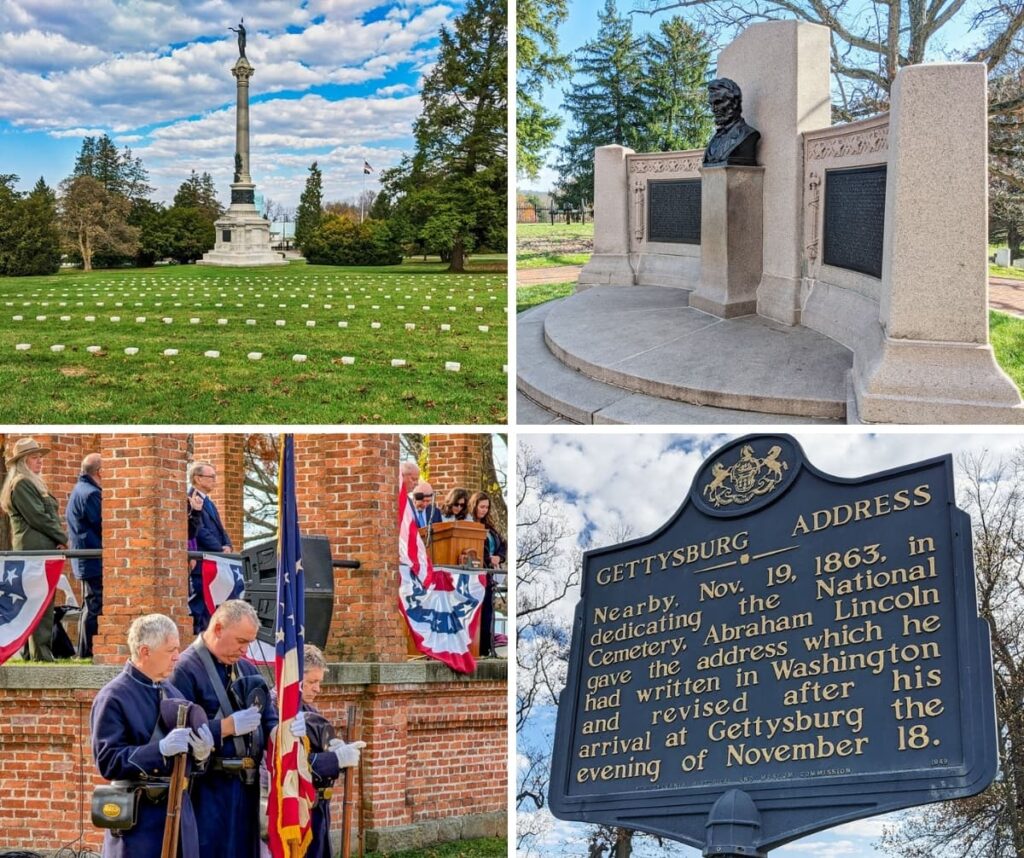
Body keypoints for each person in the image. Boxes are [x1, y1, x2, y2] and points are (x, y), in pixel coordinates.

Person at [170, 600, 300, 858]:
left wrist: (281, 732)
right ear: (218, 628)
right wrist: (225, 727)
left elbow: (268, 717)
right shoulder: (185, 669)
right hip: (208, 786)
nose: (245, 649)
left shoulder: (246, 668)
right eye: (240, 641)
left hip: (245, 785)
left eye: (249, 642)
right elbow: (177, 729)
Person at [90, 613, 214, 858]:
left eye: (178, 649)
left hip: (178, 810)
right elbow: (108, 761)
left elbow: (188, 760)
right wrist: (158, 751)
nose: (178, 656)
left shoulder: (172, 690)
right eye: (171, 650)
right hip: (140, 821)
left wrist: (200, 755)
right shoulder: (113, 696)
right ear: (145, 651)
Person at [0, 438, 68, 661]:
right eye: (35, 457)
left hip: (41, 550)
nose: (40, 461)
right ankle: (41, 654)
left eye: (40, 457)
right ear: (23, 461)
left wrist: (56, 539)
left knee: (41, 602)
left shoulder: (31, 482)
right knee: (40, 604)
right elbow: (38, 517)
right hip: (34, 552)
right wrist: (61, 537)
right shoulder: (21, 484)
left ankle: (34, 652)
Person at [301, 644, 365, 858]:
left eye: (319, 682)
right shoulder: (277, 709)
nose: (317, 689)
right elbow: (289, 763)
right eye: (312, 682)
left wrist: (337, 749)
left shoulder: (309, 708)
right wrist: (334, 760)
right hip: (296, 808)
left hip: (318, 807)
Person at [187, 462, 233, 633]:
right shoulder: (192, 498)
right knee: (199, 602)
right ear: (198, 479)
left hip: (214, 559)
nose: (215, 480)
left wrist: (227, 544)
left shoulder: (209, 502)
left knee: (210, 604)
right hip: (202, 561)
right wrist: (219, 548)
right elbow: (199, 531)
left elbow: (220, 528)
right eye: (211, 477)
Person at [66, 453, 102, 658]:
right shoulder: (90, 494)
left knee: (90, 603)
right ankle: (86, 651)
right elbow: (103, 525)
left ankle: (83, 650)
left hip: (86, 557)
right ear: (100, 472)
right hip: (91, 556)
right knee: (94, 604)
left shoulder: (81, 489)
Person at [468, 492, 506, 658]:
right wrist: (487, 559)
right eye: (481, 507)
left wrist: (500, 557)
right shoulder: (470, 525)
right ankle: (476, 647)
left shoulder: (490, 528)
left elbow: (502, 545)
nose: (484, 510)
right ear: (474, 505)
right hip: (477, 573)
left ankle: (487, 647)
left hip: (491, 573)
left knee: (488, 613)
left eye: (487, 507)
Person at [702, 77, 760, 167]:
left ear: (735, 103)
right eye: (711, 104)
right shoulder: (715, 138)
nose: (713, 109)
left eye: (718, 102)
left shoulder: (748, 134)